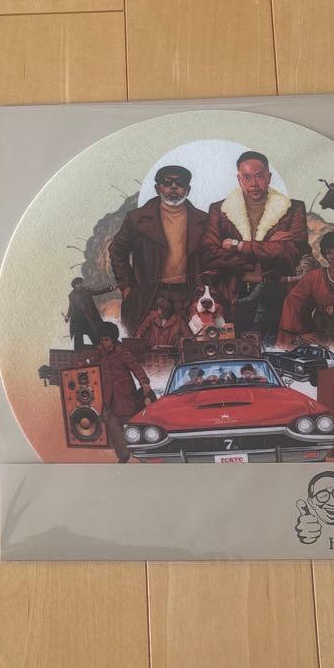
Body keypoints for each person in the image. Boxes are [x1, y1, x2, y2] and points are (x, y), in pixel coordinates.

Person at [199, 150, 308, 341]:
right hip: (235, 292)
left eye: (259, 176)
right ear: (239, 179)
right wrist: (264, 253)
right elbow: (208, 254)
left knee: (273, 346)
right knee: (235, 345)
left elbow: (293, 251)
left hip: (278, 291)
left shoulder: (293, 208)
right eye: (247, 177)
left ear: (269, 177)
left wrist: (239, 246)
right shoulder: (219, 209)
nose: (254, 183)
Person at [109, 165, 208, 334]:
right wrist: (126, 286)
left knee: (191, 341)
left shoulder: (203, 220)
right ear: (157, 188)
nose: (174, 187)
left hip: (189, 294)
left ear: (188, 190)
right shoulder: (137, 218)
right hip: (149, 295)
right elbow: (117, 250)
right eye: (167, 182)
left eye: (180, 183)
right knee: (145, 342)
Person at [277, 231, 334, 352]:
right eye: (329, 252)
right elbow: (293, 301)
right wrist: (300, 335)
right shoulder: (314, 276)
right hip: (317, 329)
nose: (332, 256)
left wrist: (328, 309)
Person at [92, 323, 155, 463]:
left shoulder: (121, 351)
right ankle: (123, 455)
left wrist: (144, 382)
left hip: (124, 394)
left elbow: (135, 366)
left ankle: (145, 455)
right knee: (113, 425)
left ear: (113, 339)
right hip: (109, 397)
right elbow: (91, 364)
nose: (104, 342)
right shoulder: (101, 354)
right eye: (102, 340)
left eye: (106, 339)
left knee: (134, 422)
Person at [64, 277, 117, 350]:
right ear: (74, 285)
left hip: (87, 317)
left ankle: (100, 349)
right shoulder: (71, 295)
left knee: (93, 333)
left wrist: (110, 289)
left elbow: (97, 291)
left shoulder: (86, 291)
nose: (80, 285)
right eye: (78, 284)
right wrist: (67, 316)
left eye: (80, 283)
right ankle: (78, 352)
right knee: (78, 335)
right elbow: (71, 307)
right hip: (76, 319)